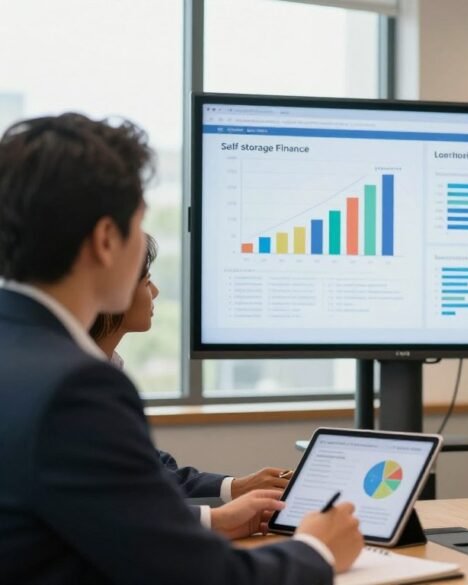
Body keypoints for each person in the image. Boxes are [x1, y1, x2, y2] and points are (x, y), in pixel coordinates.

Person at [0, 113, 362, 583]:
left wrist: (210, 518)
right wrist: (318, 549)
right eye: (139, 225)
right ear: (107, 239)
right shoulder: (75, 386)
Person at [88, 234, 291, 535]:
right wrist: (216, 520)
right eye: (146, 282)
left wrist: (236, 487)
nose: (155, 292)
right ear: (115, 291)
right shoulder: (77, 384)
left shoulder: (105, 368)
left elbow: (152, 469)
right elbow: (118, 500)